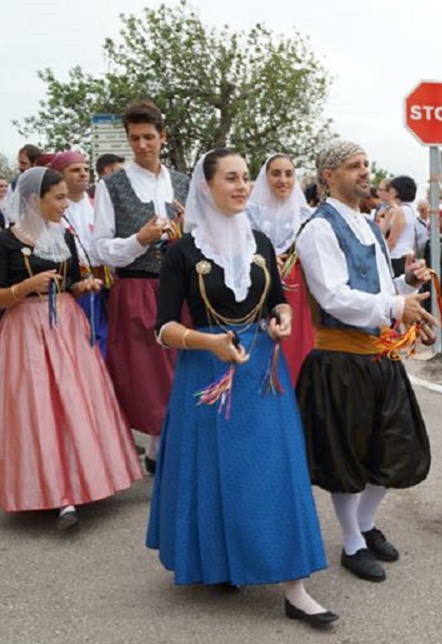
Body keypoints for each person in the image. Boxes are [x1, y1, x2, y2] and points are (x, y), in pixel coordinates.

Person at [147, 148, 334, 627]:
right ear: (206, 186)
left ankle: (296, 586)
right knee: (216, 475)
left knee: (275, 474)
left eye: (245, 178)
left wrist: (283, 319)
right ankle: (222, 562)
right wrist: (206, 342)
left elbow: (277, 303)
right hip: (207, 373)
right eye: (230, 178)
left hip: (260, 375)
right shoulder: (182, 253)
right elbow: (163, 327)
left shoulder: (261, 243)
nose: (241, 186)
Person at [295, 140, 435, 584]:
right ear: (328, 175)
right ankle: (352, 541)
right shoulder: (318, 228)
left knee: (395, 448)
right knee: (347, 456)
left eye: (366, 164)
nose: (364, 171)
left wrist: (403, 281)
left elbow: (373, 285)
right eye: (353, 166)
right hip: (340, 358)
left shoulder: (368, 224)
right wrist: (396, 305)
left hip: (378, 354)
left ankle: (365, 524)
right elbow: (333, 296)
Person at [0, 167, 141, 530]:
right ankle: (52, 491)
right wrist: (26, 286)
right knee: (38, 405)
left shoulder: (65, 237)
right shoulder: (3, 243)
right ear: (35, 200)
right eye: (58, 197)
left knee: (76, 399)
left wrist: (81, 287)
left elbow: (68, 282)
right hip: (25, 328)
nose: (64, 204)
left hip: (66, 324)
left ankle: (89, 479)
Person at [92, 100, 190, 471]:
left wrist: (187, 231)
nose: (142, 145)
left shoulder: (183, 181)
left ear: (162, 137)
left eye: (149, 137)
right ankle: (158, 446)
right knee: (147, 375)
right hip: (136, 285)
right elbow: (99, 248)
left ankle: (159, 446)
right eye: (134, 138)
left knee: (180, 366)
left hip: (179, 287)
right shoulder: (112, 186)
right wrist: (139, 239)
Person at [246, 154, 316, 384]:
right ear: (265, 177)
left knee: (297, 347)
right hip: (259, 289)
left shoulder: (307, 217)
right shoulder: (248, 215)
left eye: (289, 173)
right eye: (276, 173)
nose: (283, 179)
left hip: (297, 291)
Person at [51, 151, 109, 356]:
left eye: (85, 169)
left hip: (101, 283)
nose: (83, 174)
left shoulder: (97, 204)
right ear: (59, 174)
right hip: (71, 284)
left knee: (101, 336)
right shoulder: (54, 208)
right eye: (75, 170)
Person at [381, 176, 420, 276]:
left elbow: (392, 240)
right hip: (408, 254)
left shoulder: (400, 211)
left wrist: (380, 255)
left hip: (396, 257)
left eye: (390, 189)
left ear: (397, 191)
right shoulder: (411, 210)